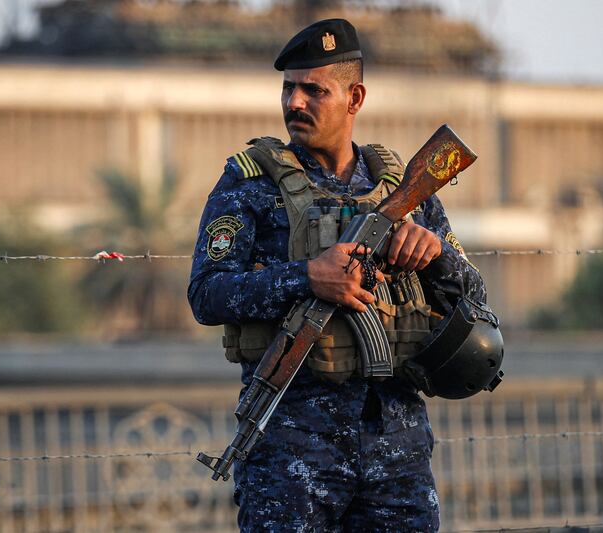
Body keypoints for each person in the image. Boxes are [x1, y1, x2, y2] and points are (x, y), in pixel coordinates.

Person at [188, 18, 486, 532]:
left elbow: (474, 298)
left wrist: (434, 252)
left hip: (397, 451)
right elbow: (206, 293)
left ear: (354, 97)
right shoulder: (249, 182)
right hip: (292, 455)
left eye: (313, 90)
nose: (294, 103)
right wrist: (305, 277)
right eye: (288, 89)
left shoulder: (404, 188)